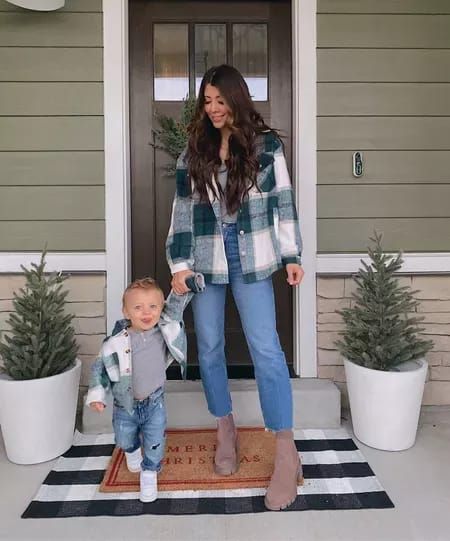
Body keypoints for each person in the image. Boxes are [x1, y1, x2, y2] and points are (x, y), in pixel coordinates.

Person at [166, 64, 305, 511]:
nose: (213, 110)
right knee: (208, 346)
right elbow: (182, 211)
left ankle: (286, 449)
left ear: (236, 100)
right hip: (206, 257)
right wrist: (179, 263)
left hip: (254, 254)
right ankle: (224, 427)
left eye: (220, 101)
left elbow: (283, 201)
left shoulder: (265, 146)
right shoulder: (195, 151)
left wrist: (292, 254)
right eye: (207, 102)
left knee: (265, 348)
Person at [86, 275, 204, 503]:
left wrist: (189, 283)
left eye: (153, 306)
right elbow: (100, 369)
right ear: (126, 311)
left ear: (161, 309)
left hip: (155, 402)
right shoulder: (115, 343)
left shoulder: (163, 331)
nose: (146, 312)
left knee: (154, 440)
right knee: (124, 438)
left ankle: (149, 473)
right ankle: (131, 451)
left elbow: (176, 305)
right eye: (138, 307)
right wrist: (97, 396)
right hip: (125, 404)